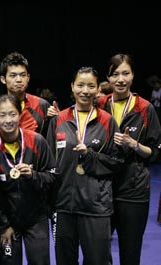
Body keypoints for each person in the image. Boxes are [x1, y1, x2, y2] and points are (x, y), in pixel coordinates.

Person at [46, 66, 122, 265]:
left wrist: (89, 156)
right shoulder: (59, 120)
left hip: (95, 206)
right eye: (80, 85)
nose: (85, 91)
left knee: (98, 261)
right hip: (63, 207)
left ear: (98, 89)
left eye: (90, 86)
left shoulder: (107, 122)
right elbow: (49, 163)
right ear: (72, 87)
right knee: (65, 261)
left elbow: (116, 163)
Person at [96, 54, 161, 265]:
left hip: (133, 191)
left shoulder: (145, 108)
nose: (121, 79)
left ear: (133, 76)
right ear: (108, 78)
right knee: (97, 251)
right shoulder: (100, 104)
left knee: (130, 253)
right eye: (115, 74)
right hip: (102, 189)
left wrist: (133, 144)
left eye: (126, 73)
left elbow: (154, 152)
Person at [0, 94, 56, 265]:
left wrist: (33, 176)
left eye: (13, 114)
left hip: (36, 219)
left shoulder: (37, 141)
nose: (8, 120)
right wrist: (3, 225)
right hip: (7, 222)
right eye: (2, 115)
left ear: (20, 115)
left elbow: (53, 177)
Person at [0, 52, 57, 139]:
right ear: (3, 79)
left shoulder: (42, 105)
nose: (19, 80)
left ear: (28, 78)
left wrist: (57, 119)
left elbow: (52, 140)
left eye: (22, 75)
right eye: (13, 75)